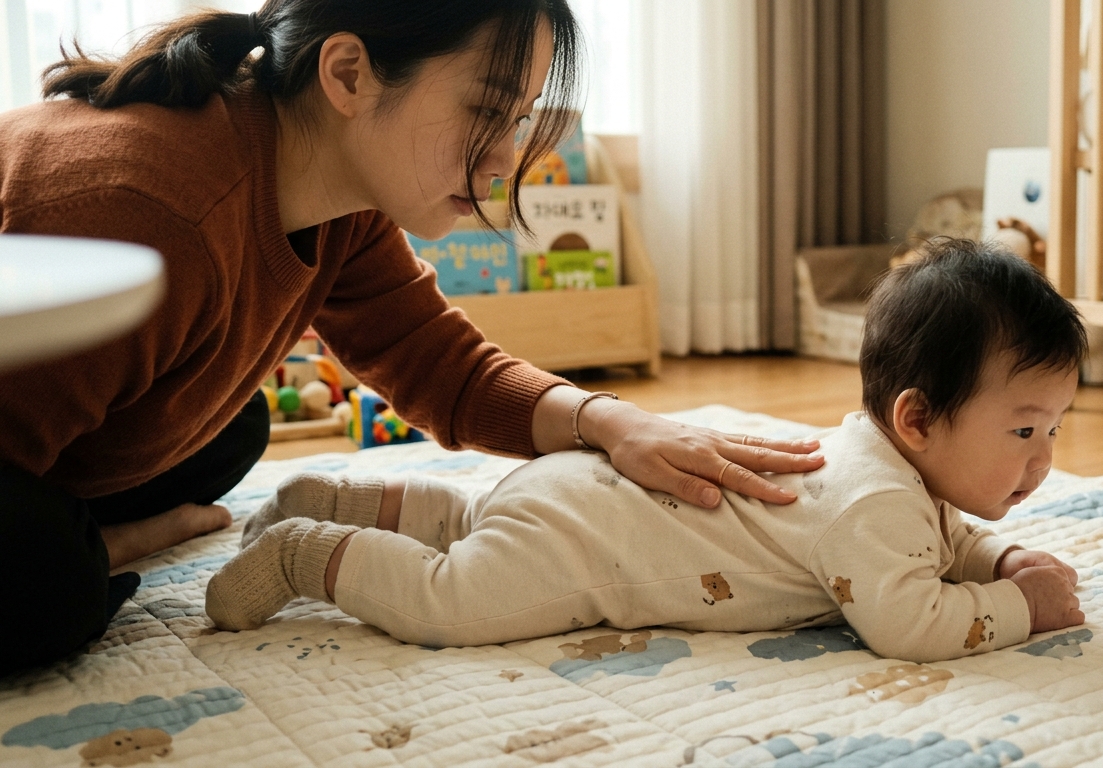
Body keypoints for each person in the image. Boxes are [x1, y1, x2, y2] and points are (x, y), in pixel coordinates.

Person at [0, 0, 823, 678]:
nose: (505, 160)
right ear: (349, 74)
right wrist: (84, 554)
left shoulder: (334, 190)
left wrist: (612, 423)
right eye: (485, 112)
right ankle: (100, 546)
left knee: (230, 419)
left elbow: (439, 364)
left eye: (521, 119)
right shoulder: (157, 220)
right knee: (52, 589)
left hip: (41, 421)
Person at [207, 239, 1088, 663]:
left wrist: (1000, 552)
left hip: (573, 492)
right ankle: (305, 557)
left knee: (474, 516)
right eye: (1023, 431)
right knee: (454, 598)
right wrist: (1021, 607)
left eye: (1054, 428)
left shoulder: (880, 465)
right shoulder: (876, 505)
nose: (1042, 459)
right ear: (918, 420)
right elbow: (910, 621)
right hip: (586, 545)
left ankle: (349, 499)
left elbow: (934, 541)